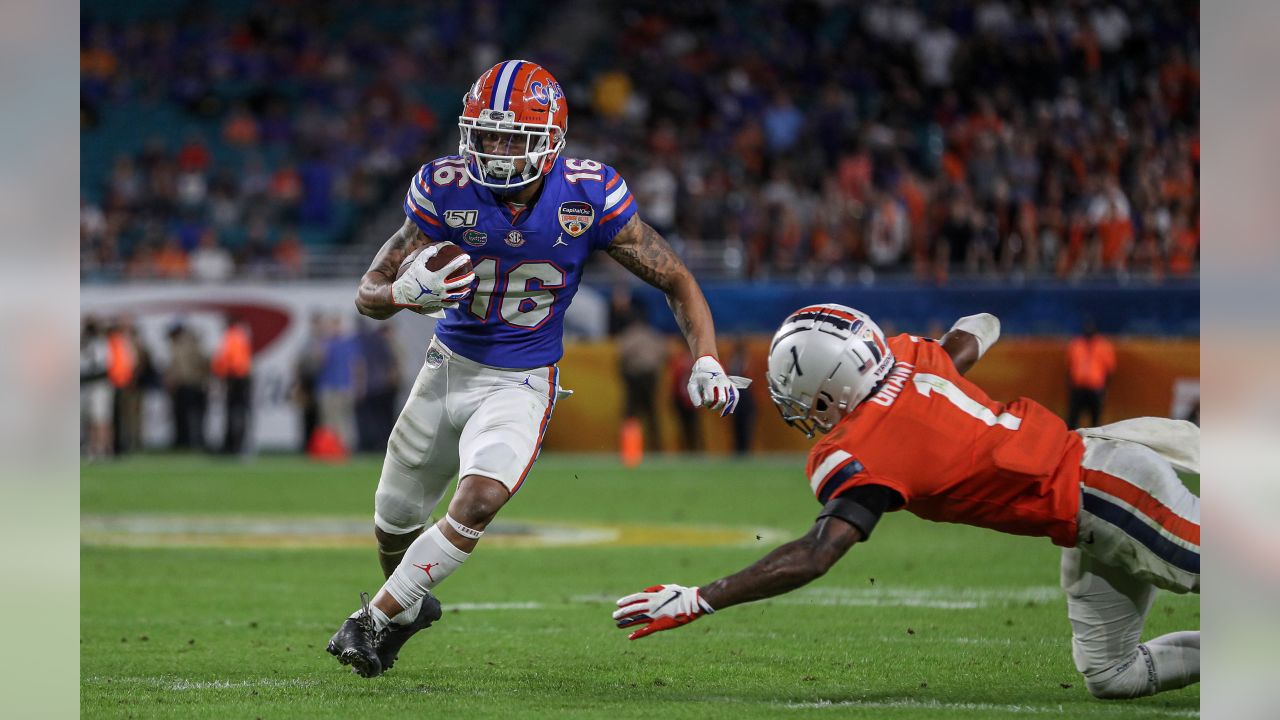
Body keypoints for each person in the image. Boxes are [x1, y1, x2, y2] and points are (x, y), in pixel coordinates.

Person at [327, 60, 748, 678]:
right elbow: (370, 289)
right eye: (485, 134)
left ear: (550, 141)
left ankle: (371, 622)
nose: (493, 151)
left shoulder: (587, 194)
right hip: (445, 369)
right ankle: (404, 608)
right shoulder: (445, 188)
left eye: (509, 137)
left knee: (480, 497)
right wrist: (397, 296)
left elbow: (676, 276)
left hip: (521, 381)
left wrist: (705, 355)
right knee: (392, 520)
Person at [613, 304, 1199, 702]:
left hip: (1106, 492)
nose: (797, 405)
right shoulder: (909, 355)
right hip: (1089, 498)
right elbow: (975, 330)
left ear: (831, 384)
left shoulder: (865, 445)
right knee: (1110, 673)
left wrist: (699, 598)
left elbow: (817, 555)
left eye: (800, 392)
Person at [211, 316, 253, 454]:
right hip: (240, 377)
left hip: (235, 378)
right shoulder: (240, 335)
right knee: (238, 412)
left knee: (234, 412)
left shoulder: (232, 336)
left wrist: (220, 373)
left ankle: (233, 445)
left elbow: (228, 360)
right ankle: (236, 444)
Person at [165, 322, 209, 450]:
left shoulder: (185, 345)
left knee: (190, 415)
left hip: (191, 384)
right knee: (184, 416)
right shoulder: (187, 344)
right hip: (186, 384)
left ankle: (191, 441)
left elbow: (201, 363)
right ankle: (187, 441)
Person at [1066, 319, 1117, 429]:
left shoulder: (1104, 345)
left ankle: (1093, 443)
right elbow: (1069, 365)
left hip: (1095, 387)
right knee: (1072, 419)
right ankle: (1070, 442)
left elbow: (1110, 369)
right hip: (1078, 387)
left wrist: (1104, 388)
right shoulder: (1076, 344)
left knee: (1096, 420)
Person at [80, 317, 112, 460]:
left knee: (100, 419)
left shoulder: (101, 344)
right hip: (86, 387)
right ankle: (91, 447)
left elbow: (102, 368)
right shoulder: (83, 345)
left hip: (98, 386)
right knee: (89, 419)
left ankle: (103, 448)